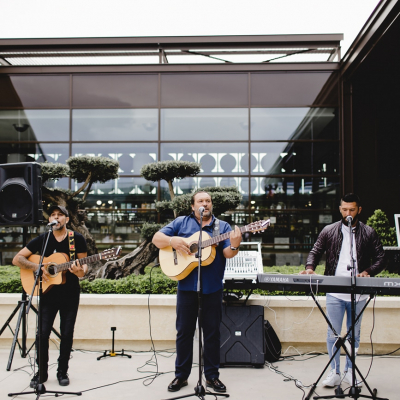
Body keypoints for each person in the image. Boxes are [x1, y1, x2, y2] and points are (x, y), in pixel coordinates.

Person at [152, 191, 243, 393]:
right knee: (184, 333)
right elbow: (157, 238)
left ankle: (211, 376)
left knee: (211, 334)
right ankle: (181, 376)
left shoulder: (223, 227)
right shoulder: (181, 223)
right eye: (200, 201)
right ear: (193, 206)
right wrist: (172, 241)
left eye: (208, 201)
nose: (205, 204)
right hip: (186, 288)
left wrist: (235, 244)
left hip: (212, 288)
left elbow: (228, 253)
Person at [300, 193, 385, 387]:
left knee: (354, 334)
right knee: (333, 334)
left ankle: (349, 371)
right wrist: (310, 268)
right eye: (345, 209)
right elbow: (315, 251)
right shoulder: (329, 230)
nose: (348, 213)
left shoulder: (368, 232)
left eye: (352, 210)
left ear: (359, 210)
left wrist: (368, 271)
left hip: (359, 293)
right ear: (340, 209)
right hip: (335, 292)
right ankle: (334, 371)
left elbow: (381, 258)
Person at [13, 205, 88, 388]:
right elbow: (18, 259)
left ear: (67, 219)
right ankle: (42, 372)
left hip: (70, 293)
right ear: (49, 220)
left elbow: (84, 266)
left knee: (67, 334)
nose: (56, 218)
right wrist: (36, 267)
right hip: (47, 293)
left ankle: (62, 371)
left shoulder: (76, 239)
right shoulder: (43, 239)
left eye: (60, 215)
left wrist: (80, 272)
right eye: (53, 215)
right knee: (42, 334)